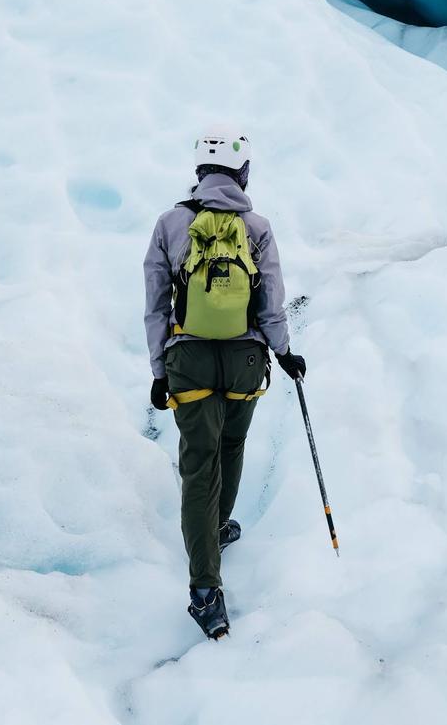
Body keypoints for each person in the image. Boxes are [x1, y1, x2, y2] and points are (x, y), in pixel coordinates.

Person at [143, 128, 306, 639]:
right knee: (230, 445)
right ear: (243, 174)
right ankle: (216, 530)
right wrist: (283, 353)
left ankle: (204, 589)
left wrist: (158, 371)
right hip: (243, 360)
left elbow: (156, 306)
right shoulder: (257, 227)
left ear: (198, 174)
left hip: (187, 358)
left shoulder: (171, 223)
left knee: (198, 464)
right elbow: (269, 303)